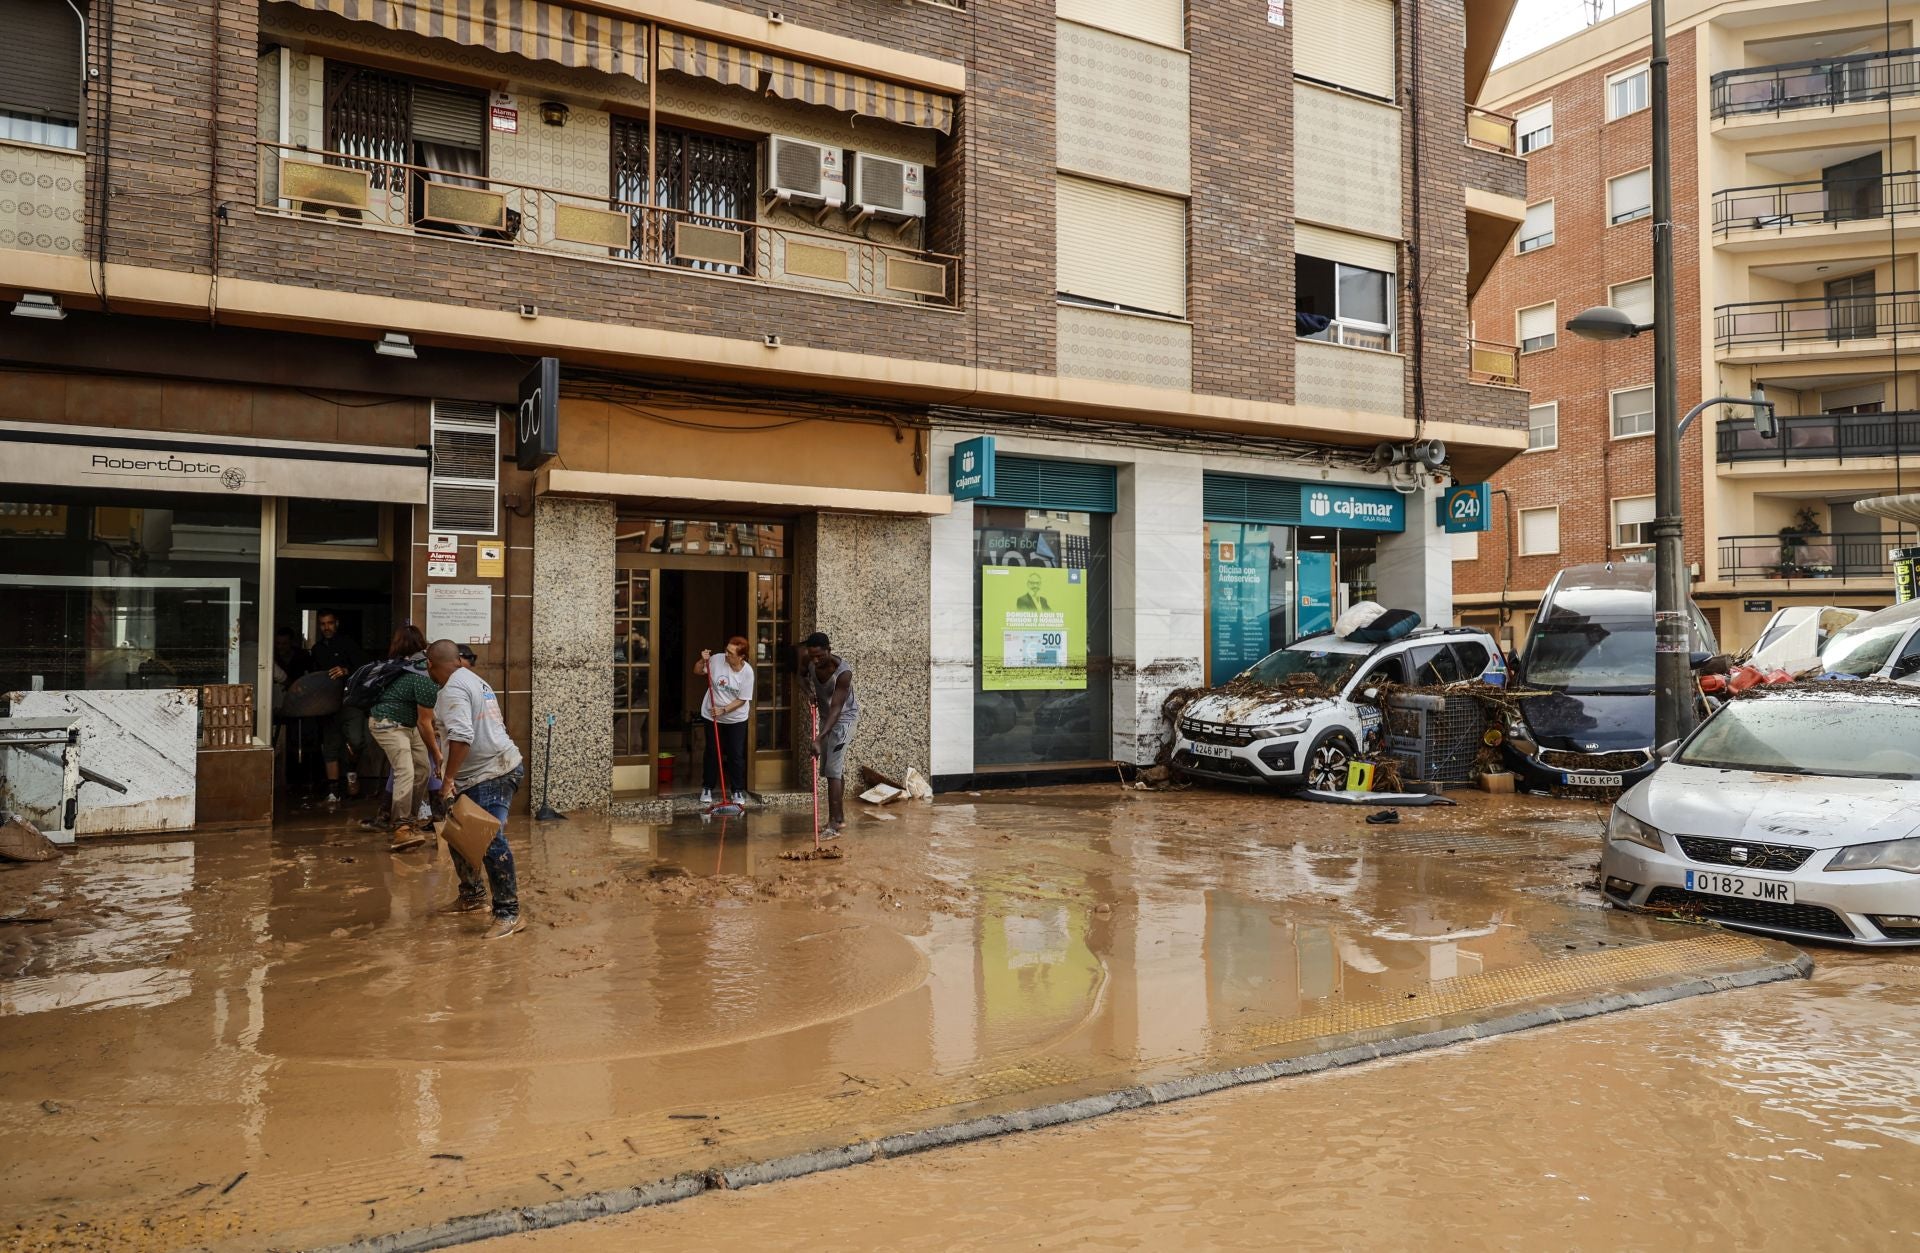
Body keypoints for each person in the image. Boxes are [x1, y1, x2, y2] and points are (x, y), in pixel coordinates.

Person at [427, 639, 524, 939]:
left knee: (489, 840)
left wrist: (448, 780)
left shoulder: (452, 689)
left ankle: (509, 912)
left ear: (431, 665)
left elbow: (462, 736)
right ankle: (471, 897)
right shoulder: (473, 679)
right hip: (487, 769)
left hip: (491, 773)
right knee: (459, 835)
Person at [360, 625, 443, 852]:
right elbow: (426, 722)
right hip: (386, 722)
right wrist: (437, 752)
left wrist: (433, 752)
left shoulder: (413, 666)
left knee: (423, 768)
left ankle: (410, 820)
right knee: (405, 769)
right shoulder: (425, 676)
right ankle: (402, 828)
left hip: (407, 723)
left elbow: (424, 720)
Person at [799, 631, 859, 839]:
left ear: (828, 650)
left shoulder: (843, 673)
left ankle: (834, 824)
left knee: (833, 771)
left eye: (820, 656)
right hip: (826, 719)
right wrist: (809, 692)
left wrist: (818, 737)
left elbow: (836, 709)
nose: (816, 660)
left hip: (843, 720)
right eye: (812, 656)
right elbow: (800, 676)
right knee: (829, 769)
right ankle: (839, 817)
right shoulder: (809, 660)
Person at [309, 610, 369, 806]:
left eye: (330, 623)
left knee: (356, 741)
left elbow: (365, 669)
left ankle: (352, 772)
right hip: (326, 704)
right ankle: (333, 791)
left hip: (350, 701)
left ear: (337, 623)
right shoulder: (317, 649)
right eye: (322, 624)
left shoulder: (348, 644)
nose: (326, 627)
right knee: (330, 746)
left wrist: (346, 671)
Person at [695, 635, 755, 807]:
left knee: (736, 754)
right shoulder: (716, 660)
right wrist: (702, 659)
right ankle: (707, 787)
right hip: (711, 715)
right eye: (726, 650)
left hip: (735, 718)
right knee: (712, 751)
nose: (726, 654)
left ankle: (737, 790)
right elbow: (698, 671)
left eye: (730, 653)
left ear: (741, 656)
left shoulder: (747, 672)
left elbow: (742, 699)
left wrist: (723, 710)